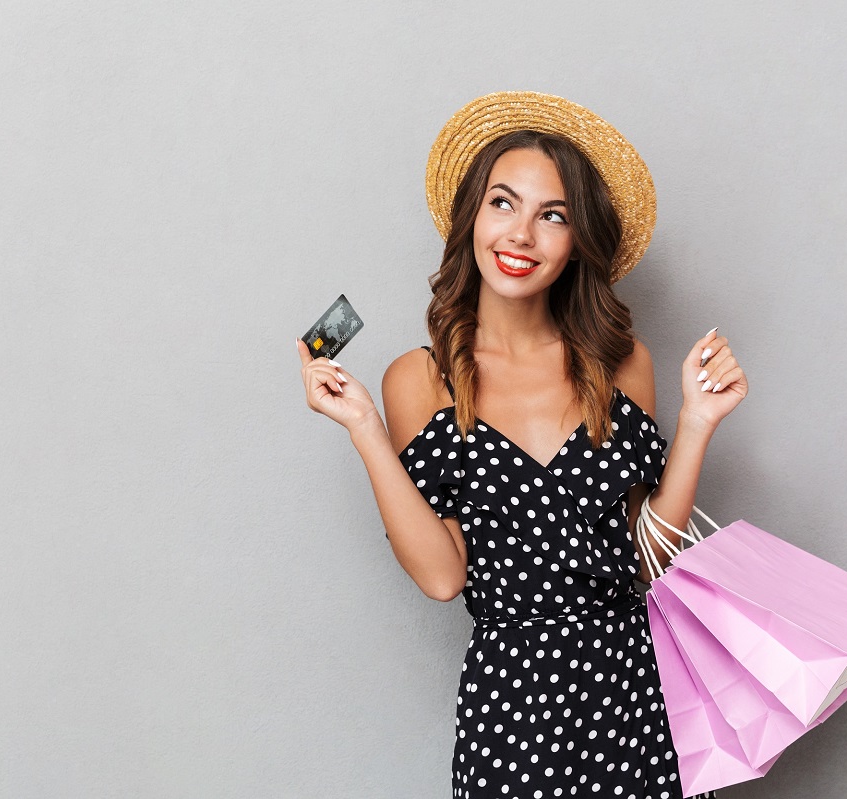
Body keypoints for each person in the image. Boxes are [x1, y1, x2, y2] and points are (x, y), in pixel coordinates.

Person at [296, 92, 745, 799]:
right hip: (511, 708)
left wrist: (695, 424)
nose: (522, 234)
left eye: (553, 215)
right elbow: (444, 578)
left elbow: (647, 558)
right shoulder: (420, 379)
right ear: (472, 215)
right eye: (503, 203)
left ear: (577, 242)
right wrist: (365, 430)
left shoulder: (620, 363)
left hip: (634, 690)